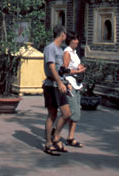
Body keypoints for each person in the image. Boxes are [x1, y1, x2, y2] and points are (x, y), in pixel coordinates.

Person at [42, 24, 71, 155]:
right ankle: (48, 143)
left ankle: (56, 137)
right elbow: (52, 67)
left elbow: (60, 69)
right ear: (62, 34)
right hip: (51, 85)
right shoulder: (50, 48)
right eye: (65, 34)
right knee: (52, 114)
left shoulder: (60, 49)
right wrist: (60, 83)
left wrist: (66, 81)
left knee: (67, 113)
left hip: (59, 84)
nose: (66, 36)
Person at [62, 32, 86, 147]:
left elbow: (77, 65)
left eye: (77, 39)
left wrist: (80, 67)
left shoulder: (74, 53)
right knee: (71, 113)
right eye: (74, 39)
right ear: (70, 41)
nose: (77, 41)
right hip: (70, 84)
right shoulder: (67, 52)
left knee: (76, 113)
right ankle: (55, 131)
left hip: (77, 84)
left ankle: (70, 137)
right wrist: (78, 72)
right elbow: (64, 71)